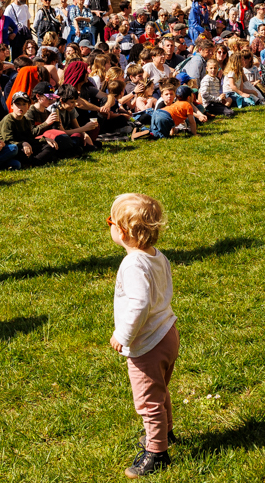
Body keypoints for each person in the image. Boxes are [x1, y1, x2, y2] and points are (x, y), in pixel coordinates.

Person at [108, 192, 179, 479]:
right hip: (167, 332)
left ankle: (157, 453)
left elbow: (139, 304)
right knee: (160, 391)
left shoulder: (133, 264)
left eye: (109, 221)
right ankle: (167, 432)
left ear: (121, 231)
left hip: (148, 342)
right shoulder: (155, 256)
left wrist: (123, 335)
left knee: (148, 400)